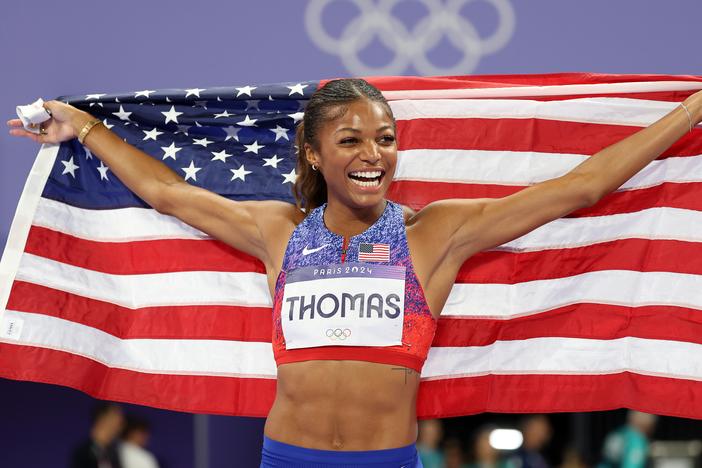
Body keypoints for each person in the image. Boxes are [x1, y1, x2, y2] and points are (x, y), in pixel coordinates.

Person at [8, 78, 701, 467]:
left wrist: (693, 111)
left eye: (386, 138)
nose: (374, 153)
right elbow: (166, 192)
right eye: (351, 139)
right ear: (313, 154)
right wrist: (86, 129)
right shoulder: (274, 228)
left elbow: (578, 189)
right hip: (287, 460)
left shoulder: (438, 231)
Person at [69, 401, 125, 468]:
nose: (121, 424)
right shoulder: (83, 453)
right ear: (102, 419)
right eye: (116, 417)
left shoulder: (114, 454)